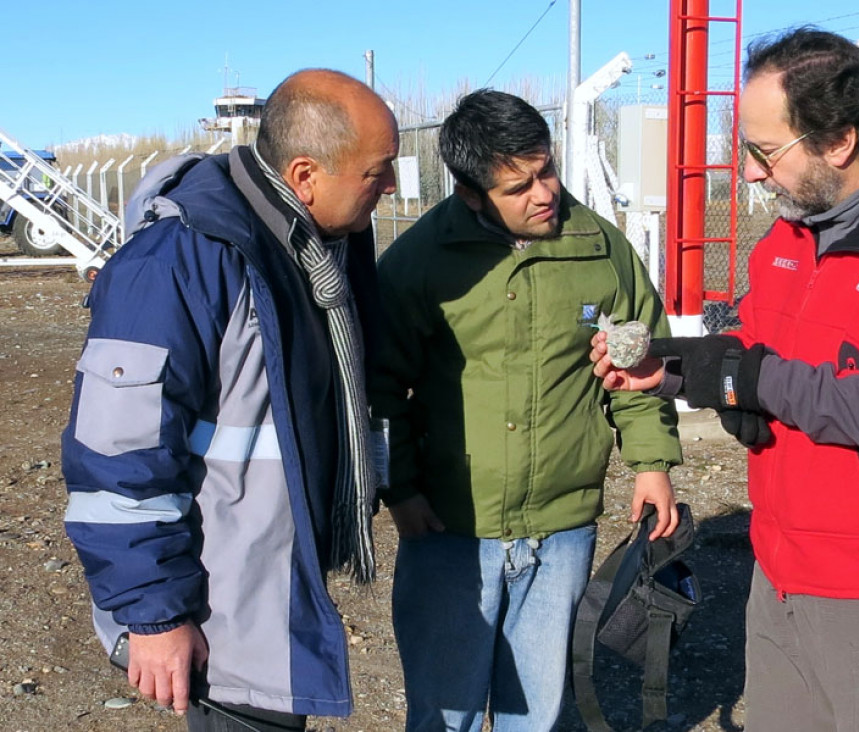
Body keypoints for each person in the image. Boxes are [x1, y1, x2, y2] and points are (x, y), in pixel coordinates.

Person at [591, 28, 859, 732]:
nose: (753, 173)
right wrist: (669, 366)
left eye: (766, 152)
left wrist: (751, 381)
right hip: (781, 566)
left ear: (838, 142)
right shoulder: (790, 235)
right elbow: (751, 353)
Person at [61, 69, 398, 731]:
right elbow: (117, 454)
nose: (389, 188)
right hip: (223, 606)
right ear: (305, 175)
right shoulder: (178, 264)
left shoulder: (310, 250)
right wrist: (155, 615)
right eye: (377, 172)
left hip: (267, 587)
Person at [367, 89, 683, 731]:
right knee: (443, 712)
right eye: (520, 186)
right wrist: (397, 489)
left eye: (548, 170)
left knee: (537, 716)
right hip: (450, 529)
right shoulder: (420, 263)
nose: (545, 193)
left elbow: (638, 362)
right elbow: (378, 388)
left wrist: (652, 463)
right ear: (471, 192)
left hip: (562, 528)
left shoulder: (600, 249)